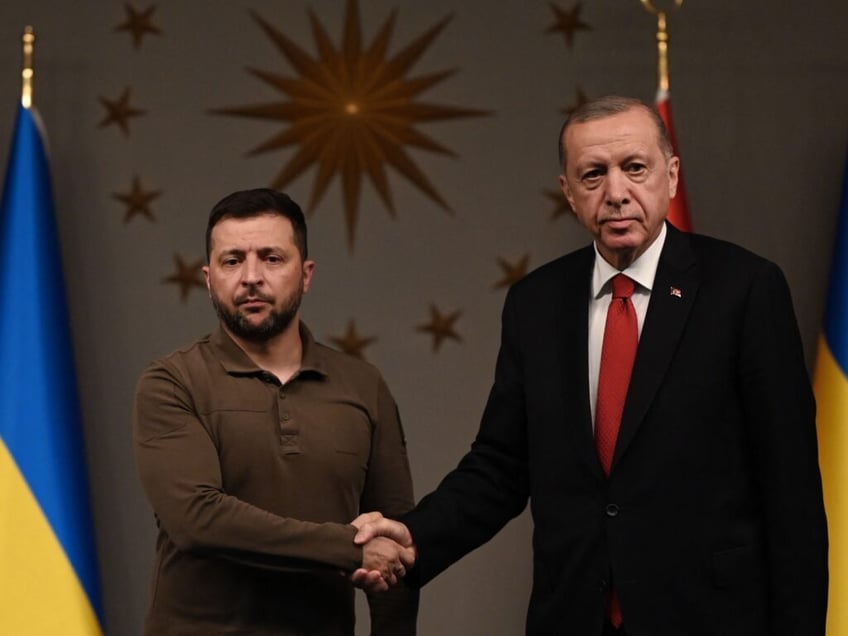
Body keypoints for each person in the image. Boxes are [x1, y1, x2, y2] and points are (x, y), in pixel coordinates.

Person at [353, 96, 828, 635]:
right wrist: (417, 538)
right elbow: (500, 466)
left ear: (671, 176)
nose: (616, 193)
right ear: (569, 194)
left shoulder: (743, 290)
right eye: (593, 175)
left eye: (634, 168)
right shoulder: (536, 303)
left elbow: (792, 497)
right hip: (574, 617)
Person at [133, 188, 417, 635]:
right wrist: (347, 546)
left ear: (305, 275)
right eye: (232, 261)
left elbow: (396, 545)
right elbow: (197, 520)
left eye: (271, 258)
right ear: (208, 278)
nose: (250, 277)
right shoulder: (172, 381)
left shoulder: (363, 385)